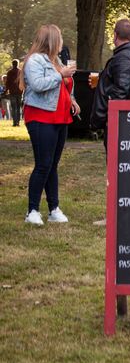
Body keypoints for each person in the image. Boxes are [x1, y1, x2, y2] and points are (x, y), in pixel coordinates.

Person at [21, 24, 79, 225]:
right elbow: (38, 85)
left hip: (60, 117)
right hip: (41, 117)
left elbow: (64, 87)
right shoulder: (34, 60)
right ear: (52, 40)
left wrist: (72, 99)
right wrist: (60, 74)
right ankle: (32, 211)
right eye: (60, 37)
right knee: (43, 164)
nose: (62, 41)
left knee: (52, 165)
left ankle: (54, 209)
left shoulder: (57, 61)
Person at [89, 19, 130, 145]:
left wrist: (108, 118)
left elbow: (120, 91)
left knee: (116, 156)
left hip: (121, 122)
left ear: (115, 35)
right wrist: (102, 81)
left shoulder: (124, 57)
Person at [4, 59, 23, 127]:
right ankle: (18, 122)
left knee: (13, 107)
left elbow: (7, 83)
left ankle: (15, 122)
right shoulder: (21, 72)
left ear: (12, 64)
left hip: (12, 92)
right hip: (19, 92)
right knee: (18, 107)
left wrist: (6, 91)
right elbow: (23, 81)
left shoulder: (9, 72)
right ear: (18, 64)